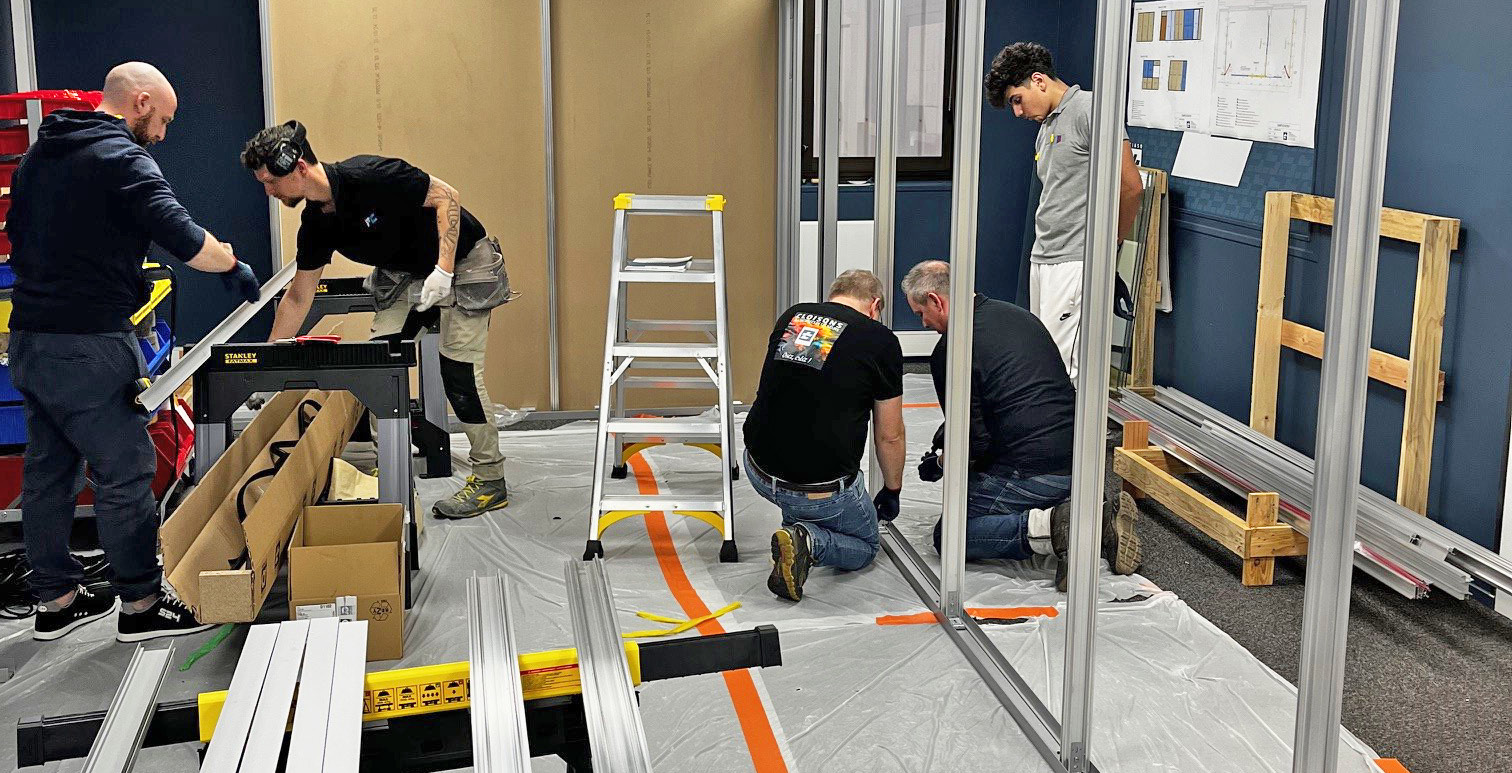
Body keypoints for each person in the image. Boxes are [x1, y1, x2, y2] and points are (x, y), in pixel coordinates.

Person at [5, 62, 259, 642]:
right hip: (89, 345)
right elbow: (184, 237)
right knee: (125, 472)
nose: (163, 135)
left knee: (49, 472)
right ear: (140, 102)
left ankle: (55, 601)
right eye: (163, 120)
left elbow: (29, 237)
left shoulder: (38, 157)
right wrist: (231, 264)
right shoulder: (122, 158)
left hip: (31, 342)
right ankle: (141, 606)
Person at [241, 122, 513, 519]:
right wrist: (268, 363)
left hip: (464, 262)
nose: (269, 191)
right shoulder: (317, 224)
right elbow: (298, 297)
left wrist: (443, 270)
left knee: (459, 371)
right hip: (405, 275)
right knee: (376, 367)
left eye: (271, 181)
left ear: (298, 167)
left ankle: (490, 480)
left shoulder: (371, 175)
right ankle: (390, 472)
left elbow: (447, 198)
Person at [901, 260, 1140, 590]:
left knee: (952, 535)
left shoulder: (952, 349)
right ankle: (1095, 517)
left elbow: (974, 444)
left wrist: (942, 463)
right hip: (1082, 463)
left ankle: (1052, 528)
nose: (924, 323)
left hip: (1031, 470)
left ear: (935, 300)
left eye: (920, 313)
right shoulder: (1019, 317)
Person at [984, 42, 1144, 380]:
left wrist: (1110, 244)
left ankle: (1069, 418)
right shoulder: (1046, 127)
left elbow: (1131, 186)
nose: (1017, 112)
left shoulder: (1090, 109)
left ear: (1038, 80)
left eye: (1017, 100)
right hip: (1045, 255)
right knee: (1042, 356)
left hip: (1075, 258)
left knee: (1062, 366)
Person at [743, 270, 905, 602]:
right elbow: (889, 435)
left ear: (834, 295)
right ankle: (808, 540)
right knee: (865, 546)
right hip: (818, 490)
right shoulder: (880, 340)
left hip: (758, 466)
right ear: (875, 305)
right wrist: (892, 489)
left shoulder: (795, 316)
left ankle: (795, 534)